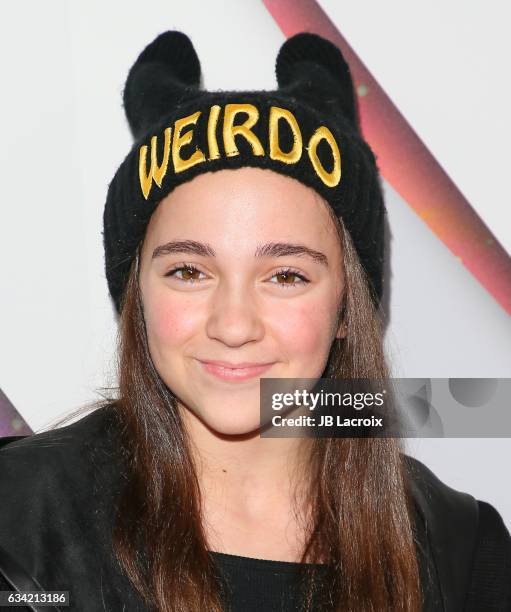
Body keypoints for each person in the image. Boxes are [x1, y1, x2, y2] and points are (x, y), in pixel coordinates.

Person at [0, 30, 509, 612]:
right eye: (190, 271)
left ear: (347, 305)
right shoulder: (18, 530)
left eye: (286, 276)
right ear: (137, 293)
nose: (234, 325)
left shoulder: (460, 550)